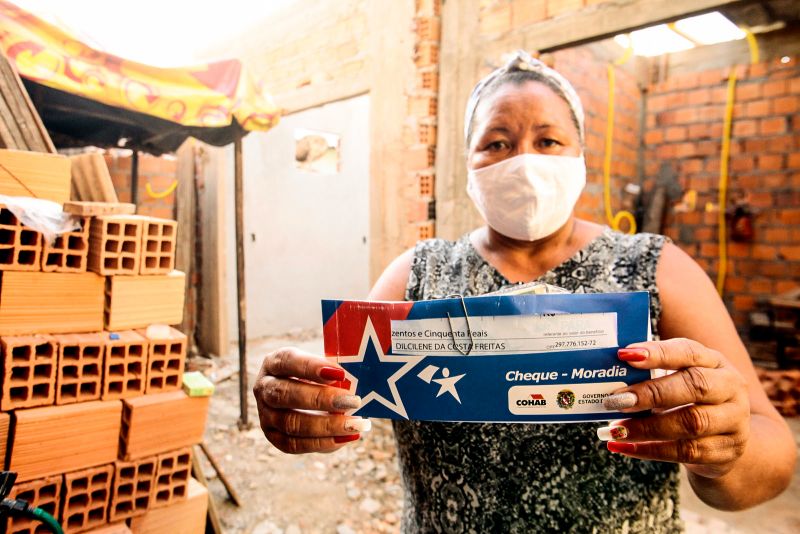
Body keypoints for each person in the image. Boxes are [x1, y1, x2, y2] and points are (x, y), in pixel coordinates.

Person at [253, 50, 796, 532]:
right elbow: (341, 398)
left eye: (548, 140)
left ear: (581, 154)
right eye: (497, 142)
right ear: (468, 164)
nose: (524, 160)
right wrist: (299, 408)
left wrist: (725, 452)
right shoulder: (417, 274)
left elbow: (770, 457)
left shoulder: (656, 268)